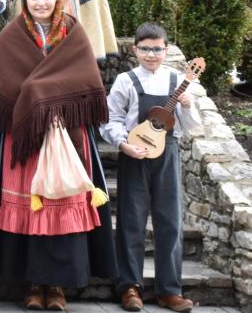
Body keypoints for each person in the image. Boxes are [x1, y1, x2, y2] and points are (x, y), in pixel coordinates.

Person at [0, 0, 117, 310]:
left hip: (65, 135)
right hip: (25, 138)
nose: (41, 3)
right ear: (25, 1)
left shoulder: (73, 32)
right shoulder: (11, 35)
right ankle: (32, 285)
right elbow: (1, 80)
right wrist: (36, 102)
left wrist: (45, 97)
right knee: (31, 206)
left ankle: (57, 286)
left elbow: (85, 76)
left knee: (62, 202)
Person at [101, 22, 201, 313]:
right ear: (135, 50)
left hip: (167, 152)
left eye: (157, 49)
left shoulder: (177, 80)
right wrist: (123, 144)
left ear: (166, 50)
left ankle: (169, 289)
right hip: (135, 152)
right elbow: (110, 120)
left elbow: (192, 126)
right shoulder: (126, 80)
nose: (152, 54)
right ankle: (129, 286)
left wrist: (186, 105)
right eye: (145, 49)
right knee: (131, 220)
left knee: (170, 220)